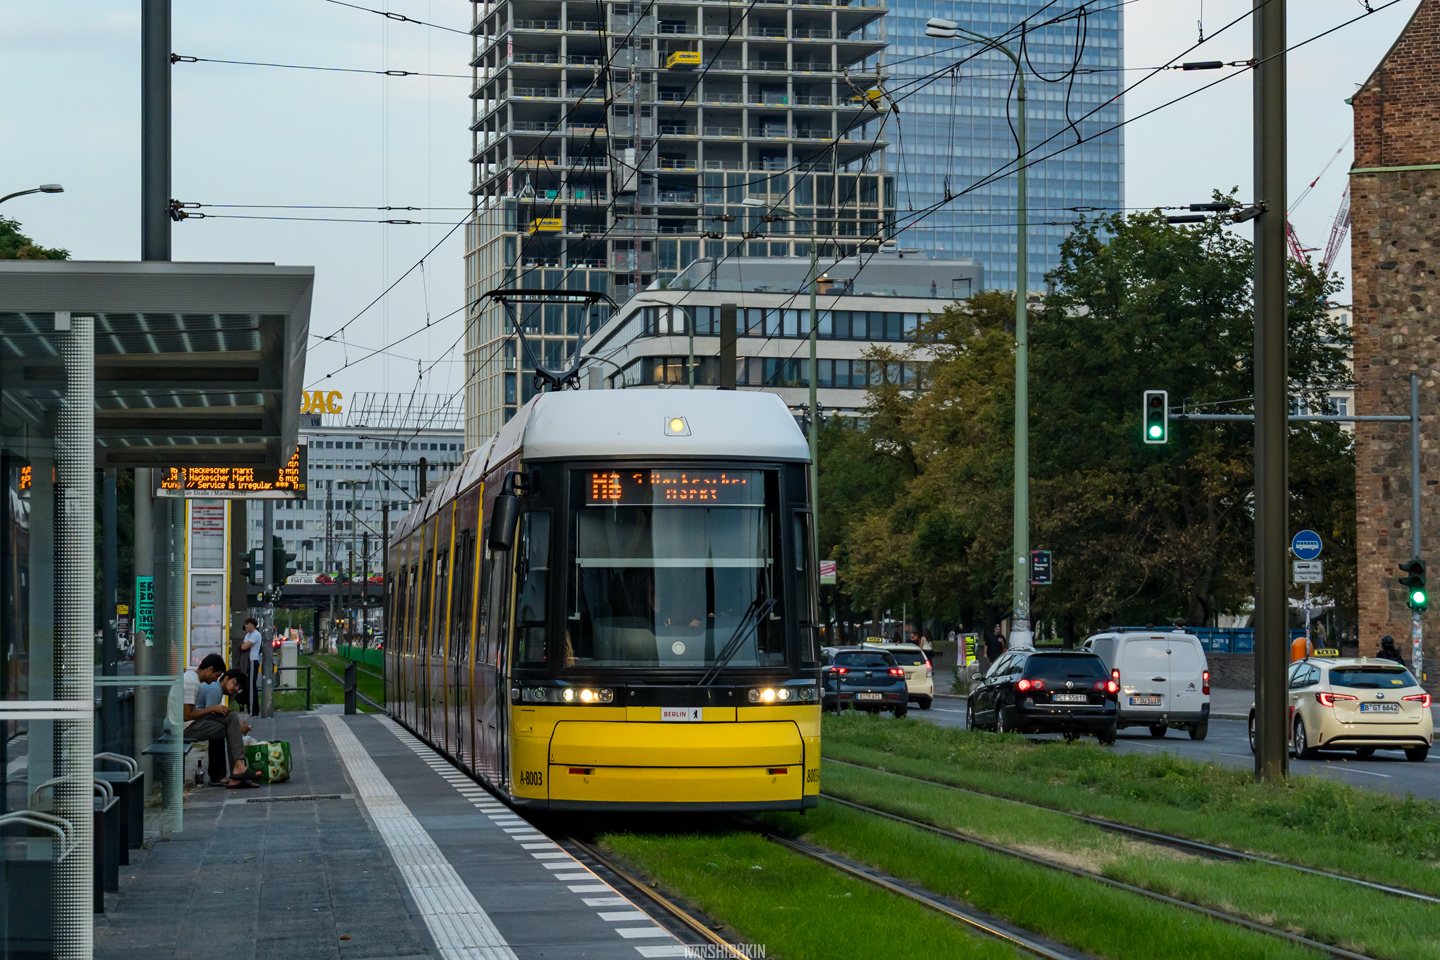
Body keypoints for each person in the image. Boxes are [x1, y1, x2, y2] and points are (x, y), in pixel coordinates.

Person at [169, 654, 261, 788]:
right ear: (210, 669)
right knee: (232, 726)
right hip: (184, 727)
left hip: (184, 724)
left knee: (231, 720)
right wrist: (213, 708)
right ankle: (236, 771)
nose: (215, 680)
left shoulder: (191, 678)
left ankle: (238, 770)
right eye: (216, 675)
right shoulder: (193, 683)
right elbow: (187, 716)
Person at [240, 617, 262, 714]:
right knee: (248, 685)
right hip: (248, 662)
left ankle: (253, 710)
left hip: (253, 661)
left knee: (252, 686)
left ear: (252, 624)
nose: (245, 626)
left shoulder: (256, 635)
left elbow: (244, 646)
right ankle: (250, 708)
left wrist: (243, 645)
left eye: (247, 624)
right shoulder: (248, 635)